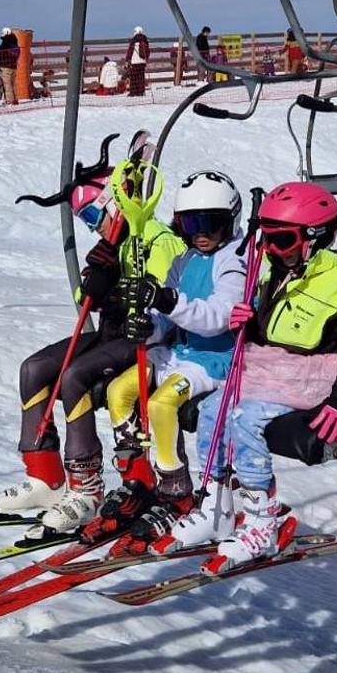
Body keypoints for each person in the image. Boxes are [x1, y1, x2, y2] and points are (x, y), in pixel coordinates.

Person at [158, 181, 337, 574]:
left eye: (283, 239)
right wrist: (249, 320)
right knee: (213, 408)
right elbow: (272, 327)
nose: (271, 249)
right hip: (272, 369)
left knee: (244, 417)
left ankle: (262, 522)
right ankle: (217, 507)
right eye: (267, 239)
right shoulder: (273, 272)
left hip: (316, 376)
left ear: (316, 237)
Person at [0, 137, 187, 539]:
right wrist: (98, 279)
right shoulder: (113, 245)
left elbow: (168, 302)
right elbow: (86, 299)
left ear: (117, 202)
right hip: (109, 333)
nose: (94, 225)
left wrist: (119, 291)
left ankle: (87, 487)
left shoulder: (156, 240)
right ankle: (44, 476)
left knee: (75, 375)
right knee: (35, 368)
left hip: (144, 339)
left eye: (95, 213)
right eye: (85, 219)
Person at [96, 170, 247, 550]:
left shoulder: (234, 261)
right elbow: (167, 318)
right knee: (119, 391)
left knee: (161, 404)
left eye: (211, 223)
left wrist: (167, 300)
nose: (201, 233)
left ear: (231, 220)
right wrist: (148, 325)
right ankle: (138, 478)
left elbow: (218, 317)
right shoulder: (185, 259)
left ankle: (175, 492)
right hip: (179, 352)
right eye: (190, 224)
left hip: (214, 359)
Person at [0, 27, 20, 106]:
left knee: (7, 84)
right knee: (13, 84)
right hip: (14, 66)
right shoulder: (15, 42)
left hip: (5, 66)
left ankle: (10, 100)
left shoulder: (5, 43)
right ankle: (15, 99)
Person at [125, 26, 149, 97]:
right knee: (141, 77)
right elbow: (148, 51)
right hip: (142, 62)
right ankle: (141, 91)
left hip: (135, 61)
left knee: (134, 77)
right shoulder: (145, 40)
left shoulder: (133, 40)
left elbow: (130, 52)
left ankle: (133, 92)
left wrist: (127, 60)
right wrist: (146, 59)